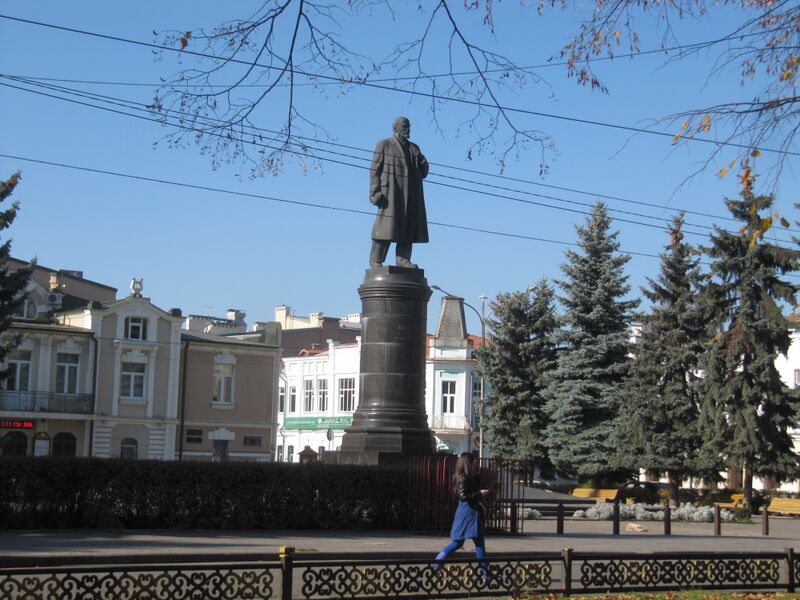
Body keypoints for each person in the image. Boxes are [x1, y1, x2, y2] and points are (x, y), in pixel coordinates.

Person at [368, 116, 429, 268]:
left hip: (411, 194)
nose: (407, 129)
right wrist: (375, 191)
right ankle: (376, 260)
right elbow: (375, 170)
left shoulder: (413, 148)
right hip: (391, 194)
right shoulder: (385, 144)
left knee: (408, 227)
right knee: (386, 227)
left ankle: (403, 260)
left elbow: (424, 173)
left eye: (409, 126)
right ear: (395, 128)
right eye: (404, 126)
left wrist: (421, 158)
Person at [433, 452, 490, 574]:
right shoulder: (464, 478)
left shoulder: (472, 476)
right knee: (459, 542)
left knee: (477, 542)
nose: (475, 463)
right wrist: (479, 493)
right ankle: (436, 564)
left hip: (471, 512)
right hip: (468, 512)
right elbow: (463, 496)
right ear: (468, 462)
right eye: (473, 461)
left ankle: (485, 572)